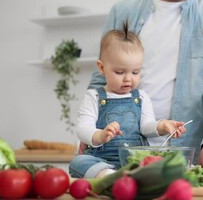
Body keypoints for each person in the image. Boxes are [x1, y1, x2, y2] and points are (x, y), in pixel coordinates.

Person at [87, 0, 203, 170]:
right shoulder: (123, 11)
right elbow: (100, 79)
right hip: (121, 147)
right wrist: (87, 132)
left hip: (184, 151)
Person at [69, 23, 187, 178]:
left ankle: (124, 176)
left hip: (135, 160)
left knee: (165, 162)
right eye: (120, 72)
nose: (128, 78)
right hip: (101, 159)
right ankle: (109, 175)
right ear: (101, 68)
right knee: (78, 162)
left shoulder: (141, 97)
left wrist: (163, 125)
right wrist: (100, 136)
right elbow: (82, 128)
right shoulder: (94, 96)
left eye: (135, 72)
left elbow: (146, 126)